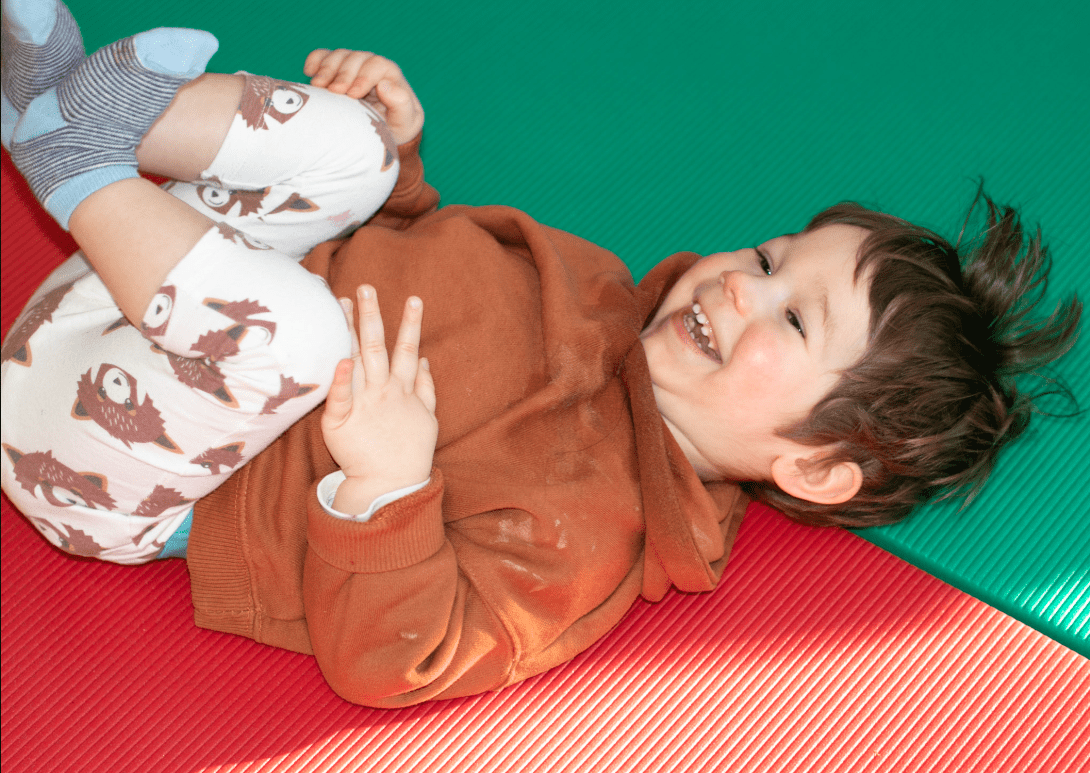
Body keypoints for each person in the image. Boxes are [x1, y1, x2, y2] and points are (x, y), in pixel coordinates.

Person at [1, 1, 1080, 706]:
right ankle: (70, 115)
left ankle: (68, 152)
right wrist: (398, 159)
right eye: (767, 256)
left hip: (104, 455)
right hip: (144, 280)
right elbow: (413, 242)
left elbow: (399, 660)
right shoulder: (594, 282)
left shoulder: (590, 536)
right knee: (353, 145)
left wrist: (385, 484)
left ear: (815, 464)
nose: (740, 284)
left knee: (307, 340)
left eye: (794, 321)